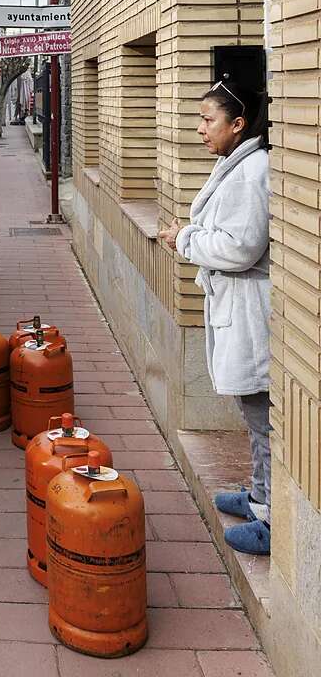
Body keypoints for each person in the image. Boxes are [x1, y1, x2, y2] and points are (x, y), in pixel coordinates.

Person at [157, 76, 272, 555]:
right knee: (251, 409)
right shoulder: (235, 163)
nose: (200, 129)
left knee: (261, 412)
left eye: (209, 120)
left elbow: (240, 246)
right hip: (236, 304)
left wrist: (185, 239)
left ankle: (269, 516)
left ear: (238, 124)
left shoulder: (252, 171)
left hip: (251, 309)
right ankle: (258, 494)